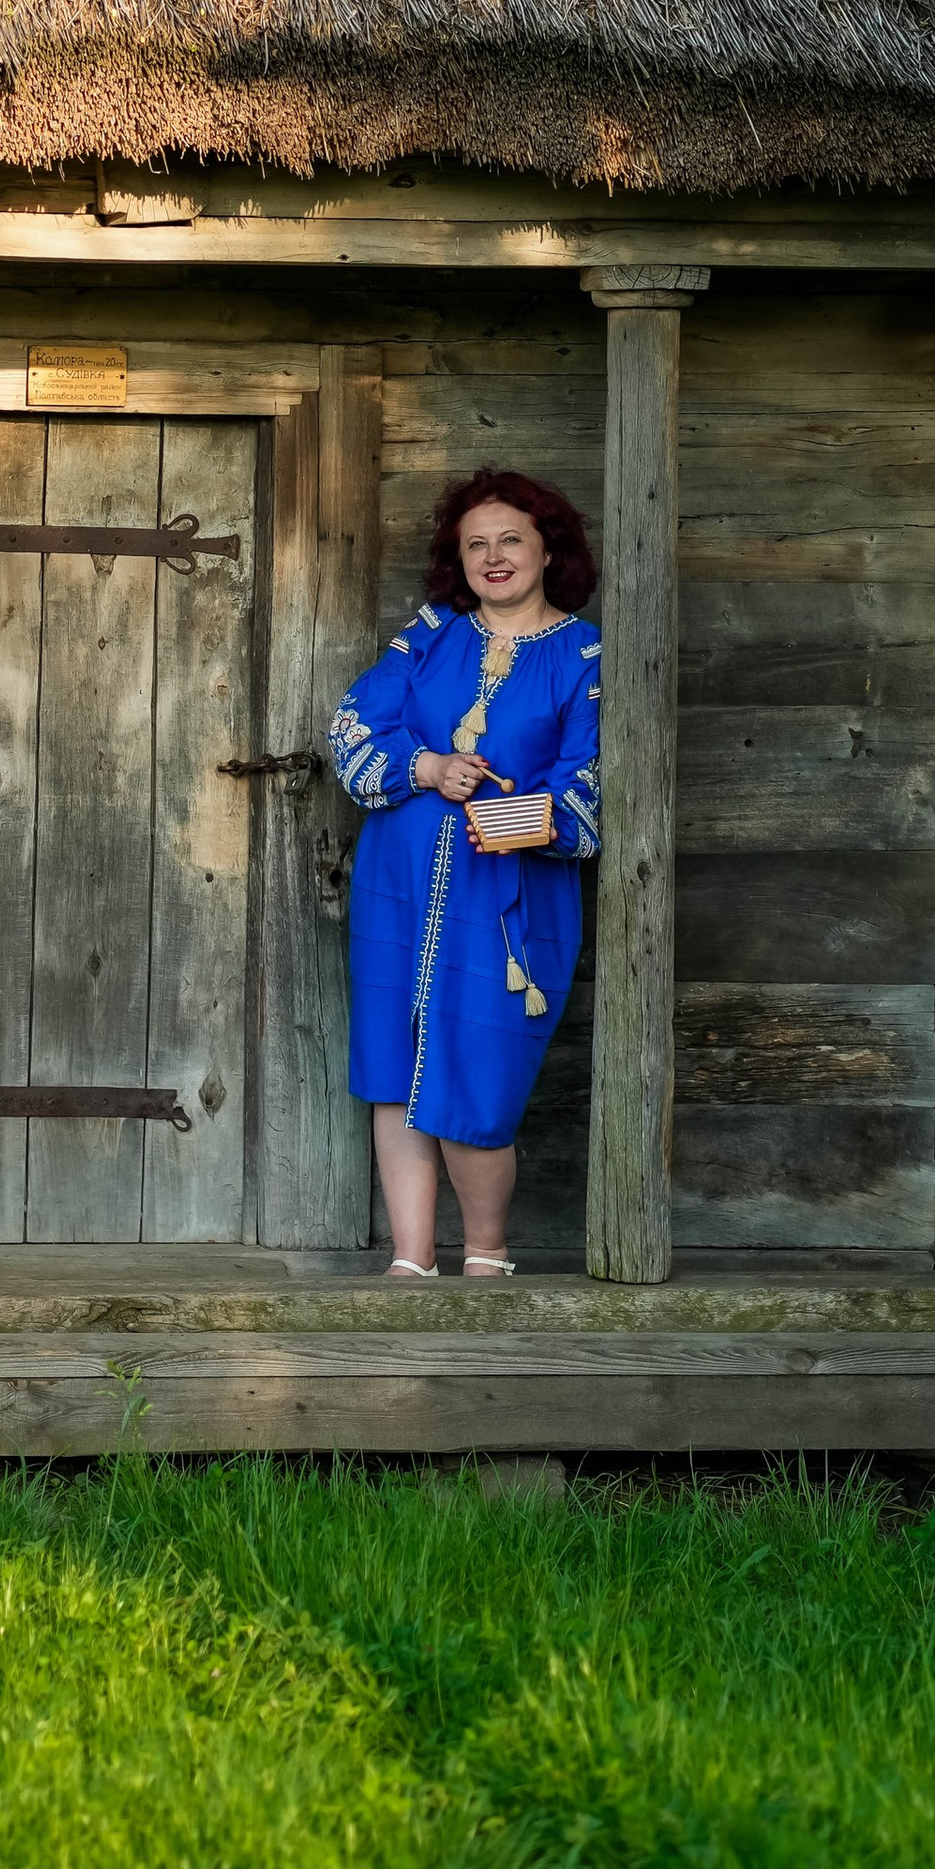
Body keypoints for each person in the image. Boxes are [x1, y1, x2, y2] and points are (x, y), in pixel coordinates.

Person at [327, 468, 601, 1277]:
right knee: (394, 1063)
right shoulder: (428, 636)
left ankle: (487, 1260)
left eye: (511, 538)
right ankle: (411, 1264)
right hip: (400, 883)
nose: (494, 556)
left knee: (477, 1074)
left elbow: (596, 783)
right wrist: (427, 768)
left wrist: (514, 818)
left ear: (548, 549)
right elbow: (351, 730)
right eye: (476, 543)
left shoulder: (587, 656)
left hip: (508, 898)